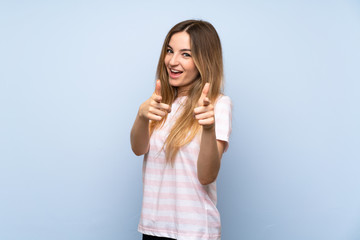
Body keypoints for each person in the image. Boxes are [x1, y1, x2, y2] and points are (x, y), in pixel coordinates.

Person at [130, 19, 232, 240]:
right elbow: (138, 149)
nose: (172, 61)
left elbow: (206, 176)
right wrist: (140, 116)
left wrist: (208, 129)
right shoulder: (160, 101)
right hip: (153, 227)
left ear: (204, 61)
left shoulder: (218, 104)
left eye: (186, 54)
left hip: (194, 231)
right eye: (169, 51)